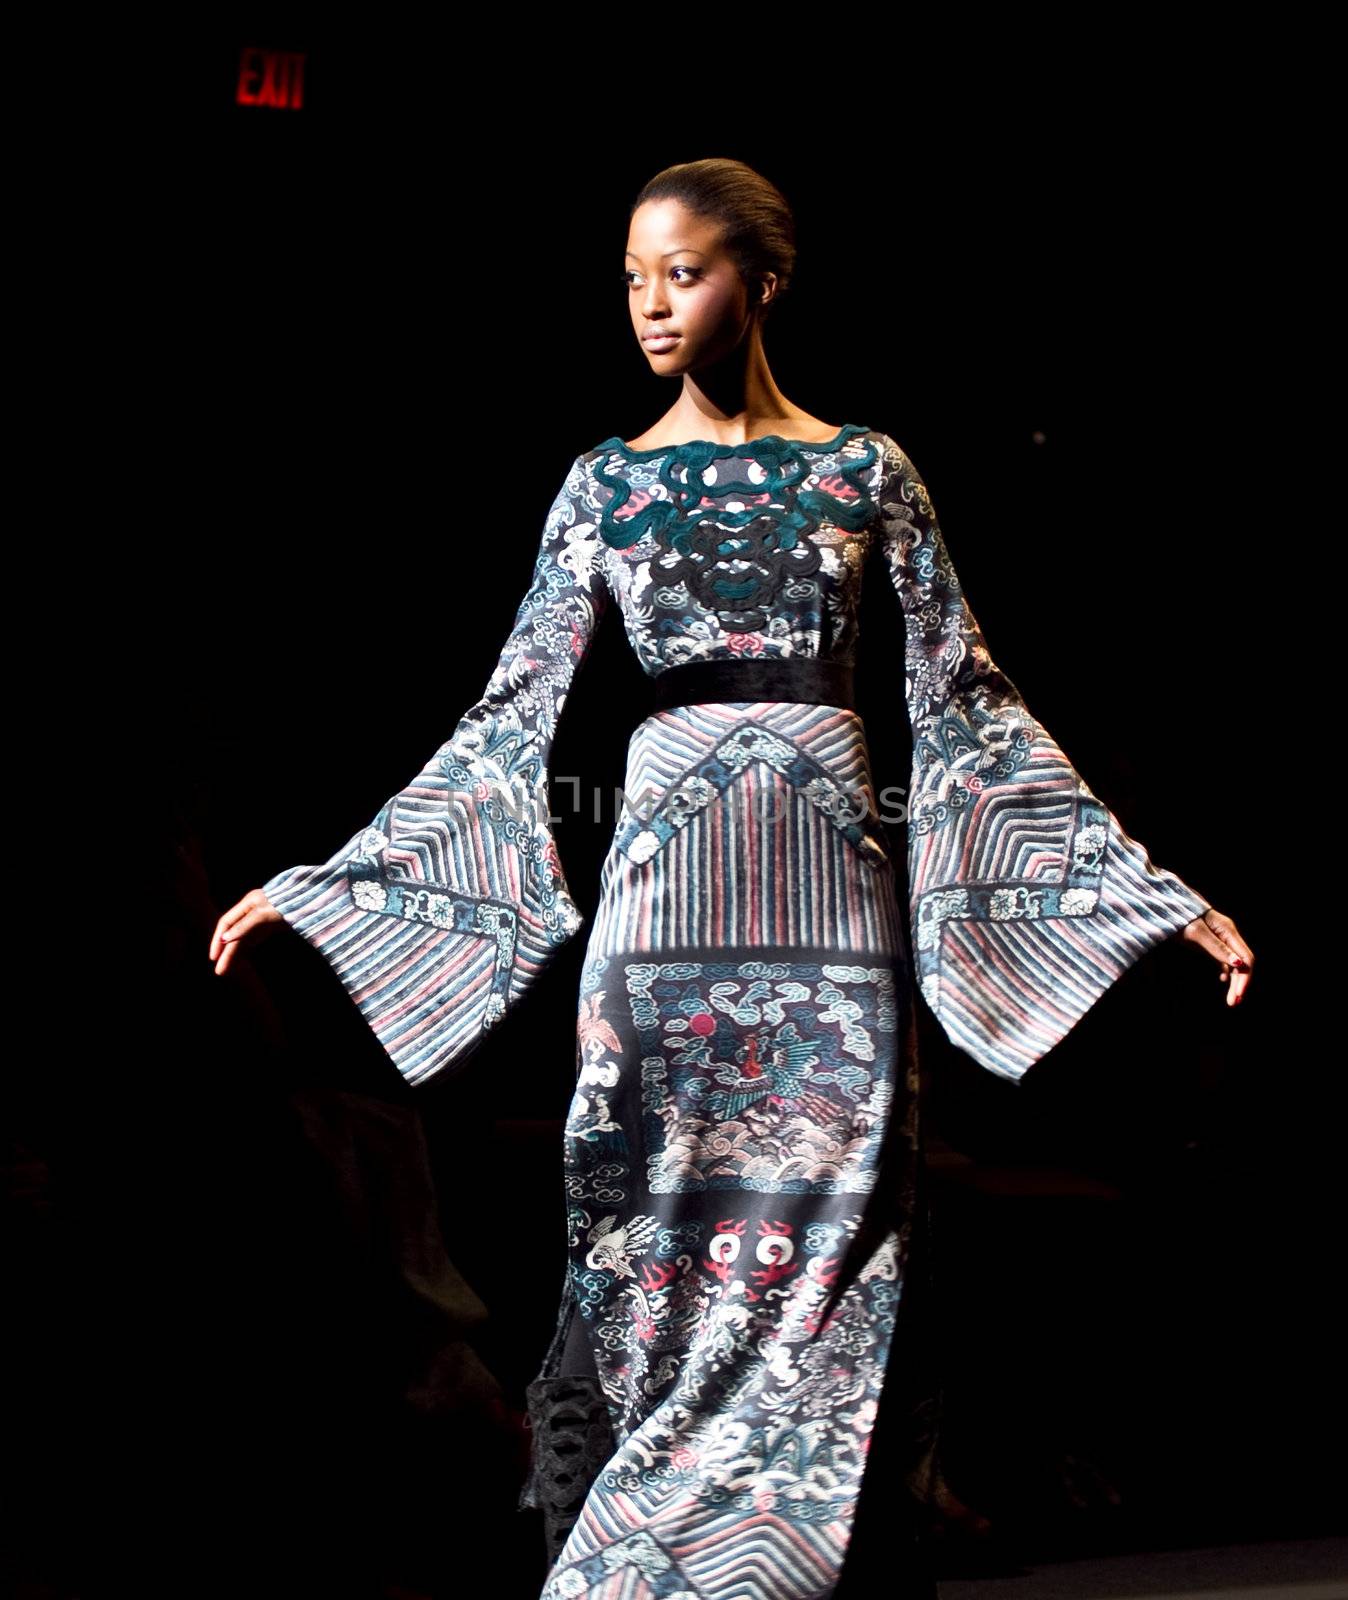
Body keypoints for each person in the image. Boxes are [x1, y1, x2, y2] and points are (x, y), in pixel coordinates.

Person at [209, 157, 1253, 1599]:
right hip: (662, 915)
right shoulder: (603, 483)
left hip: (830, 898)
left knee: (840, 1215)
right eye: (631, 275)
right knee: (651, 1224)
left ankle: (790, 1551)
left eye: (682, 272)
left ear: (762, 282)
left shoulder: (865, 469)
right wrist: (333, 882)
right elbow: (508, 718)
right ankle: (644, 1553)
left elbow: (968, 701)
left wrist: (1145, 893)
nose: (649, 303)